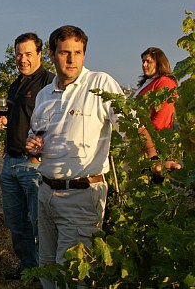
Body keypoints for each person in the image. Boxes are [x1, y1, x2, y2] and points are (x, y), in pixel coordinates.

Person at [25, 25, 182, 289]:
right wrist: (33, 147)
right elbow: (35, 138)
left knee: (74, 276)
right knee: (48, 268)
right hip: (46, 194)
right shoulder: (43, 95)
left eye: (78, 52)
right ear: (52, 54)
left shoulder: (99, 84)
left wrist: (154, 158)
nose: (72, 59)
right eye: (65, 52)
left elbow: (132, 127)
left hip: (81, 196)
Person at [0, 32, 54, 277]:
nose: (23, 59)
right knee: (16, 222)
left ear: (39, 54)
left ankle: (45, 272)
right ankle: (28, 268)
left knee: (40, 223)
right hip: (10, 162)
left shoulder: (49, 82)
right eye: (18, 54)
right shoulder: (16, 84)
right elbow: (23, 119)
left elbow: (55, 124)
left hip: (33, 165)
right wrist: (5, 122)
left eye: (28, 54)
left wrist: (38, 157)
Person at [133, 47, 178, 131]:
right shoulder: (147, 83)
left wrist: (149, 139)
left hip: (151, 138)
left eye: (148, 61)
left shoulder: (165, 83)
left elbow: (163, 117)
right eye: (143, 61)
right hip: (140, 137)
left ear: (158, 63)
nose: (144, 65)